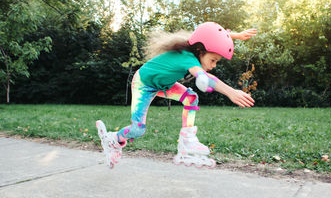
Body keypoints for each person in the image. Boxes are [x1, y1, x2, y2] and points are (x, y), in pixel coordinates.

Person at [96, 22, 256, 169]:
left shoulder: (195, 49)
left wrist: (237, 35)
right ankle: (112, 139)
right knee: (137, 130)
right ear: (200, 51)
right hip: (143, 84)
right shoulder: (187, 57)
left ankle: (187, 139)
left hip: (163, 85)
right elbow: (207, 78)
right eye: (213, 60)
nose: (213, 66)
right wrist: (231, 92)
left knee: (191, 97)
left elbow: (215, 34)